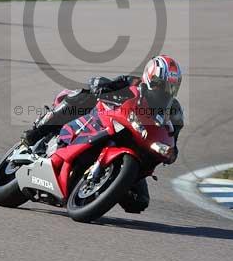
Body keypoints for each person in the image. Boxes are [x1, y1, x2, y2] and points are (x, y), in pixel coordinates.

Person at [20, 55, 185, 213]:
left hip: (137, 149)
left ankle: (105, 187)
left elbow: (172, 141)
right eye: (160, 84)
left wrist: (169, 153)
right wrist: (100, 85)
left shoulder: (175, 112)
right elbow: (101, 83)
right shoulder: (133, 83)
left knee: (139, 202)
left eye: (171, 87)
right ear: (149, 78)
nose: (165, 91)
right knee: (82, 96)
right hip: (106, 123)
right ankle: (37, 131)